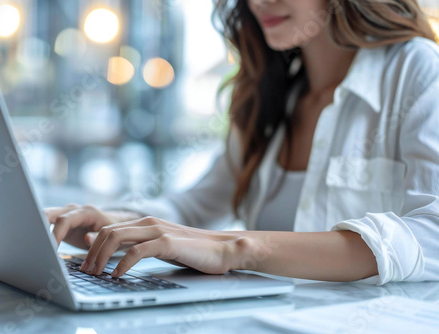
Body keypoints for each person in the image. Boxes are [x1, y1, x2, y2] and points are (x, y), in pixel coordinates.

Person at [45, 0, 439, 285]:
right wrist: (116, 223)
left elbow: (432, 235)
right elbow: (198, 207)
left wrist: (238, 248)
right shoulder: (271, 93)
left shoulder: (417, 70)